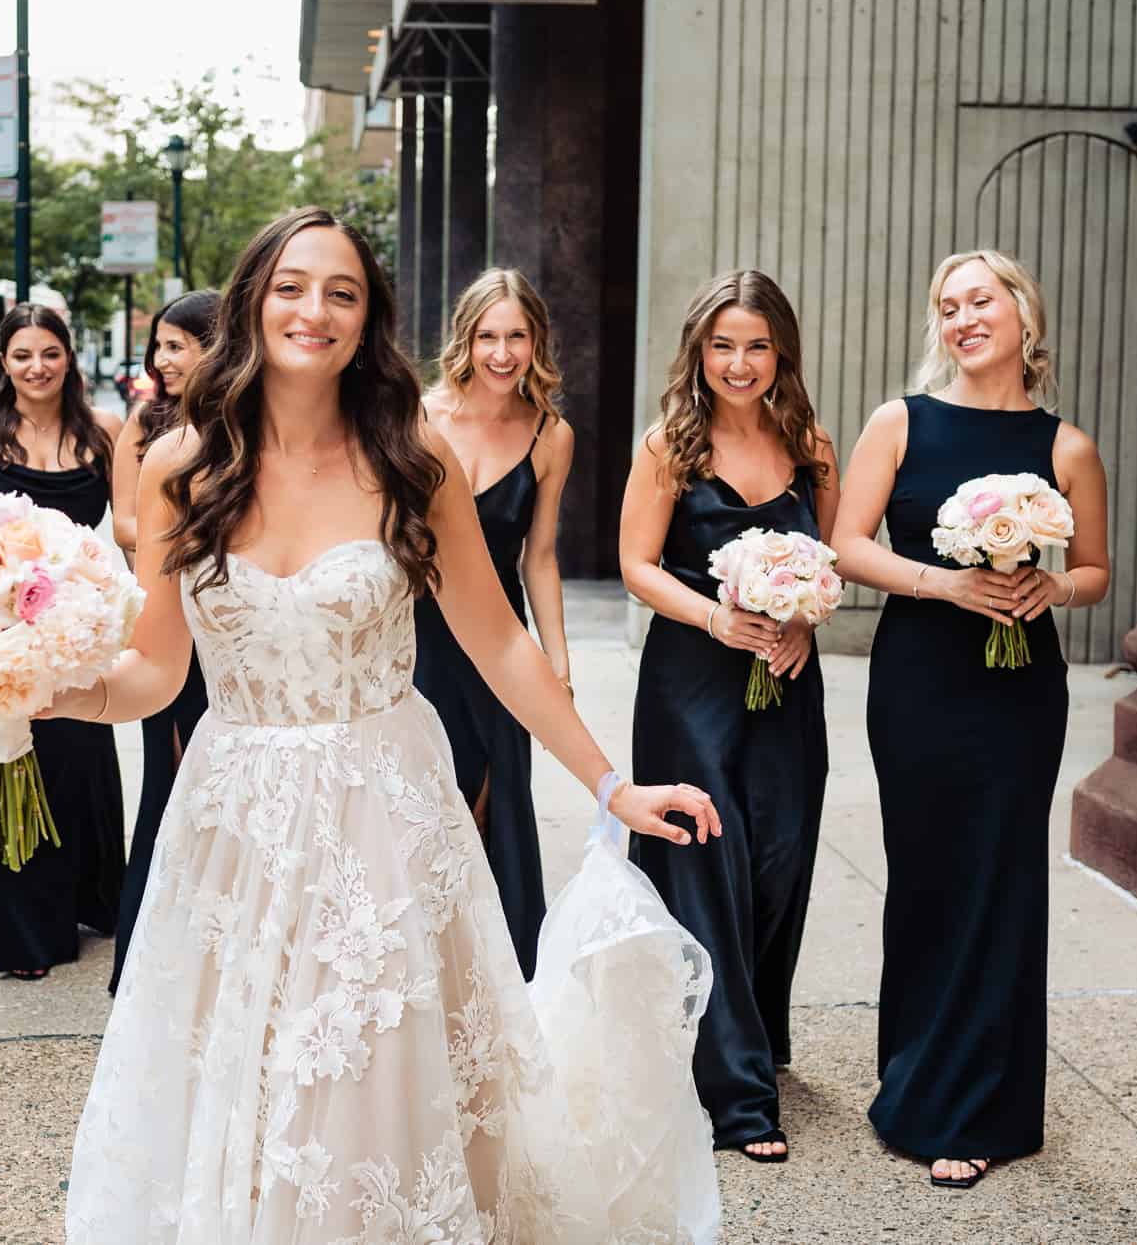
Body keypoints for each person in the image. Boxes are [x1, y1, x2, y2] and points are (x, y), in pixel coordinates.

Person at [46, 206, 725, 1242]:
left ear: (368, 321)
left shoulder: (413, 456)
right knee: (248, 1079)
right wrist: (59, 690)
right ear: (250, 300)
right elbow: (152, 668)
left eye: (341, 292)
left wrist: (608, 782)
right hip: (234, 819)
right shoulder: (180, 463)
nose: (310, 309)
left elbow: (500, 644)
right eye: (289, 285)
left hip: (382, 816)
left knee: (364, 1082)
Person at [833, 249, 1110, 1189]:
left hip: (1020, 688)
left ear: (1023, 315)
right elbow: (847, 544)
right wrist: (943, 581)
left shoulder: (1065, 446)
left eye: (980, 301)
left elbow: (1097, 573)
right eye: (947, 307)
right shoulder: (898, 422)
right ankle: (912, 1078)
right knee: (926, 874)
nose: (962, 318)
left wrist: (1050, 585)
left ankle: (983, 1105)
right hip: (918, 679)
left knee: (1002, 878)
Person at [617, 270, 838, 1164]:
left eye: (755, 345)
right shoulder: (670, 443)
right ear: (698, 351)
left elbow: (829, 560)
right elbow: (636, 562)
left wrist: (804, 626)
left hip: (785, 680)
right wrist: (718, 614)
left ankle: (750, 1033)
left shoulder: (811, 443)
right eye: (722, 346)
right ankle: (737, 1096)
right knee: (711, 862)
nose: (738, 364)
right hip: (691, 683)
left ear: (779, 349)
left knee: (779, 859)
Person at [0, 303, 125, 980]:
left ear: (69, 357)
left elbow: (131, 529)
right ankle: (24, 928)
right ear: (3, 362)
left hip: (72, 631)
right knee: (11, 768)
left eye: (49, 352)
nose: (37, 367)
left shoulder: (104, 431)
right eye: (22, 355)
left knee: (79, 768)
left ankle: (89, 896)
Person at [410, 267, 574, 981]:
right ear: (465, 340)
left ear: (535, 341)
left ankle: (497, 987)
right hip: (414, 641)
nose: (502, 353)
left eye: (516, 336)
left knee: (492, 808)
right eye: (488, 336)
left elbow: (540, 555)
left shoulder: (550, 433)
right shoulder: (418, 416)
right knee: (418, 810)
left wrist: (557, 662)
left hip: (499, 643)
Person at [106, 289, 218, 994]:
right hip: (166, 614)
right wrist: (174, 528)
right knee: (167, 785)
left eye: (179, 344)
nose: (164, 359)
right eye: (161, 345)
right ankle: (143, 958)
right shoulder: (144, 428)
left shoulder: (242, 425)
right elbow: (123, 521)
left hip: (228, 629)